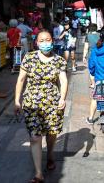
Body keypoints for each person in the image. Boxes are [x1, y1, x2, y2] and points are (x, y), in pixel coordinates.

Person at [14, 31, 68, 183]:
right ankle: (38, 173)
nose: (45, 43)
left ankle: (50, 153)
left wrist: (62, 99)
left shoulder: (59, 60)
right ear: (36, 43)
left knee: (52, 133)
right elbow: (20, 80)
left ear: (52, 41)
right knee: (35, 136)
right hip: (31, 103)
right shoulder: (29, 58)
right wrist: (17, 101)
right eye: (42, 40)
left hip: (53, 103)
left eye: (48, 40)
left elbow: (63, 81)